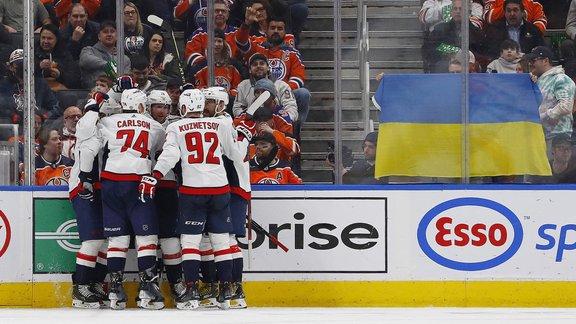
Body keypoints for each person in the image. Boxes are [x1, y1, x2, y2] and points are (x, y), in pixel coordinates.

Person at [143, 88, 254, 310]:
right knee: (221, 242)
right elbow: (234, 154)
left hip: (193, 191)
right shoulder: (220, 124)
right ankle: (225, 292)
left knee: (191, 243)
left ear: (183, 108)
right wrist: (241, 137)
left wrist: (154, 175)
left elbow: (171, 155)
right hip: (220, 189)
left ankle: (192, 290)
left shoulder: (176, 126)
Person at [79, 88, 166, 310]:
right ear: (140, 106)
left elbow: (88, 140)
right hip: (138, 181)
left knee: (117, 239)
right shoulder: (153, 125)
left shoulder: (107, 122)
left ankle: (116, 291)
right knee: (147, 237)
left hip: (110, 182)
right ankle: (147, 289)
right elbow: (159, 149)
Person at [200, 87, 250, 309]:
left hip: (232, 189)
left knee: (228, 240)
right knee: (213, 240)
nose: (204, 106)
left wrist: (243, 139)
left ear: (220, 104)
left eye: (209, 102)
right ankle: (219, 287)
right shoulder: (223, 123)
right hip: (221, 188)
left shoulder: (223, 124)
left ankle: (234, 289)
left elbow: (235, 156)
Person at [237, 12, 310, 136]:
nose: (276, 31)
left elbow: (298, 79)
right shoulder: (258, 47)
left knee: (303, 94)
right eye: (272, 28)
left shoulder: (292, 53)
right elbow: (242, 43)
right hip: (256, 93)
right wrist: (246, 24)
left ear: (285, 32)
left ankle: (294, 129)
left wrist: (276, 91)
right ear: (266, 30)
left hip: (283, 94)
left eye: (280, 29)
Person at [144, 89, 186, 300]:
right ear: (148, 107)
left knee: (170, 238)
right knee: (147, 237)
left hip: (168, 185)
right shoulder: (140, 123)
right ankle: (148, 284)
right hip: (142, 185)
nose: (162, 111)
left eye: (165, 107)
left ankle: (176, 283)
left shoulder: (176, 126)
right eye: (158, 106)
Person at [69, 95, 109, 309]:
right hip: (83, 187)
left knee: (106, 240)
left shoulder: (103, 128)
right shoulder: (87, 128)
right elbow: (86, 127)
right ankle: (81, 287)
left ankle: (93, 283)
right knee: (93, 240)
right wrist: (94, 105)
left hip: (101, 188)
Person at [526, 46, 576, 157]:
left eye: (533, 60)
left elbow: (565, 106)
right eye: (529, 61)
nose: (530, 64)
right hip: (540, 136)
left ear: (546, 61)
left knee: (553, 173)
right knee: (535, 174)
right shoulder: (538, 81)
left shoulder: (560, 79)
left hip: (557, 138)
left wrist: (545, 115)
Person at [234, 78, 299, 163]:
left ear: (273, 96)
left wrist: (272, 132)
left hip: (277, 164)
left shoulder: (282, 117)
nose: (260, 95)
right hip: (251, 164)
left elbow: (293, 149)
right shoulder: (246, 115)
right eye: (257, 92)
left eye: (264, 92)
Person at [0, 49, 62, 122]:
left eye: (26, 64)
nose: (23, 67)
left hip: (38, 124)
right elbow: (2, 108)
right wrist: (15, 117)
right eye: (19, 64)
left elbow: (55, 107)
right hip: (14, 125)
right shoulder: (4, 85)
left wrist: (43, 117)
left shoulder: (41, 84)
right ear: (11, 67)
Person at [233, 53, 297, 122]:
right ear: (249, 70)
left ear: (268, 68)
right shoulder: (242, 86)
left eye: (262, 63)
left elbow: (291, 108)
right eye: (254, 64)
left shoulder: (282, 86)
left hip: (277, 123)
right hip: (252, 123)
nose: (258, 66)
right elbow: (237, 109)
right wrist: (249, 119)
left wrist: (283, 121)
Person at [188, 29, 242, 100]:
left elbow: (237, 88)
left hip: (229, 102)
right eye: (213, 41)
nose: (216, 44)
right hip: (208, 101)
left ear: (224, 43)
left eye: (219, 41)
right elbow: (199, 88)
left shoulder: (234, 65)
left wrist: (225, 95)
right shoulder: (200, 66)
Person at [185, 0, 241, 68]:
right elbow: (192, 57)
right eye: (216, 11)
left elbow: (245, 56)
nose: (220, 13)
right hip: (206, 76)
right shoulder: (198, 35)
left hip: (232, 75)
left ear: (227, 15)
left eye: (223, 11)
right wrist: (215, 66)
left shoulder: (237, 33)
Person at [79, 20, 131, 89]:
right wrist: (107, 65)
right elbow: (84, 60)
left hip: (116, 95)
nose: (109, 34)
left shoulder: (124, 58)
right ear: (99, 36)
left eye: (112, 32)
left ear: (117, 37)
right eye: (105, 32)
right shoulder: (88, 50)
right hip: (91, 94)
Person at [35, 23, 79, 90]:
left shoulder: (65, 54)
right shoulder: (32, 52)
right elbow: (22, 75)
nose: (45, 41)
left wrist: (60, 75)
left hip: (60, 91)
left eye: (49, 38)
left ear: (57, 39)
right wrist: (39, 67)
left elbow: (74, 80)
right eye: (43, 38)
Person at [483, 0, 547, 33]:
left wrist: (531, 33)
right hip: (500, 39)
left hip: (526, 40)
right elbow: (489, 17)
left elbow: (541, 21)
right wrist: (510, 4)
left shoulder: (532, 3)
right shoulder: (495, 1)